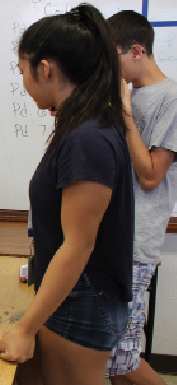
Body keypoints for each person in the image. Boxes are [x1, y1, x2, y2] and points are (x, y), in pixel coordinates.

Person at [0, 4, 134, 385]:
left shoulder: (87, 137)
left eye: (23, 72)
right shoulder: (86, 123)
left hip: (84, 301)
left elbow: (78, 246)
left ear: (45, 69)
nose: (24, 83)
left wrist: (25, 327)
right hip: (75, 298)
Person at [105, 10, 177, 385]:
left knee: (123, 360)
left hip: (136, 243)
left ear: (136, 51)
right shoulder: (128, 97)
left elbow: (150, 175)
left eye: (110, 57)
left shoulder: (172, 98)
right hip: (111, 239)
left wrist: (125, 112)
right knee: (114, 355)